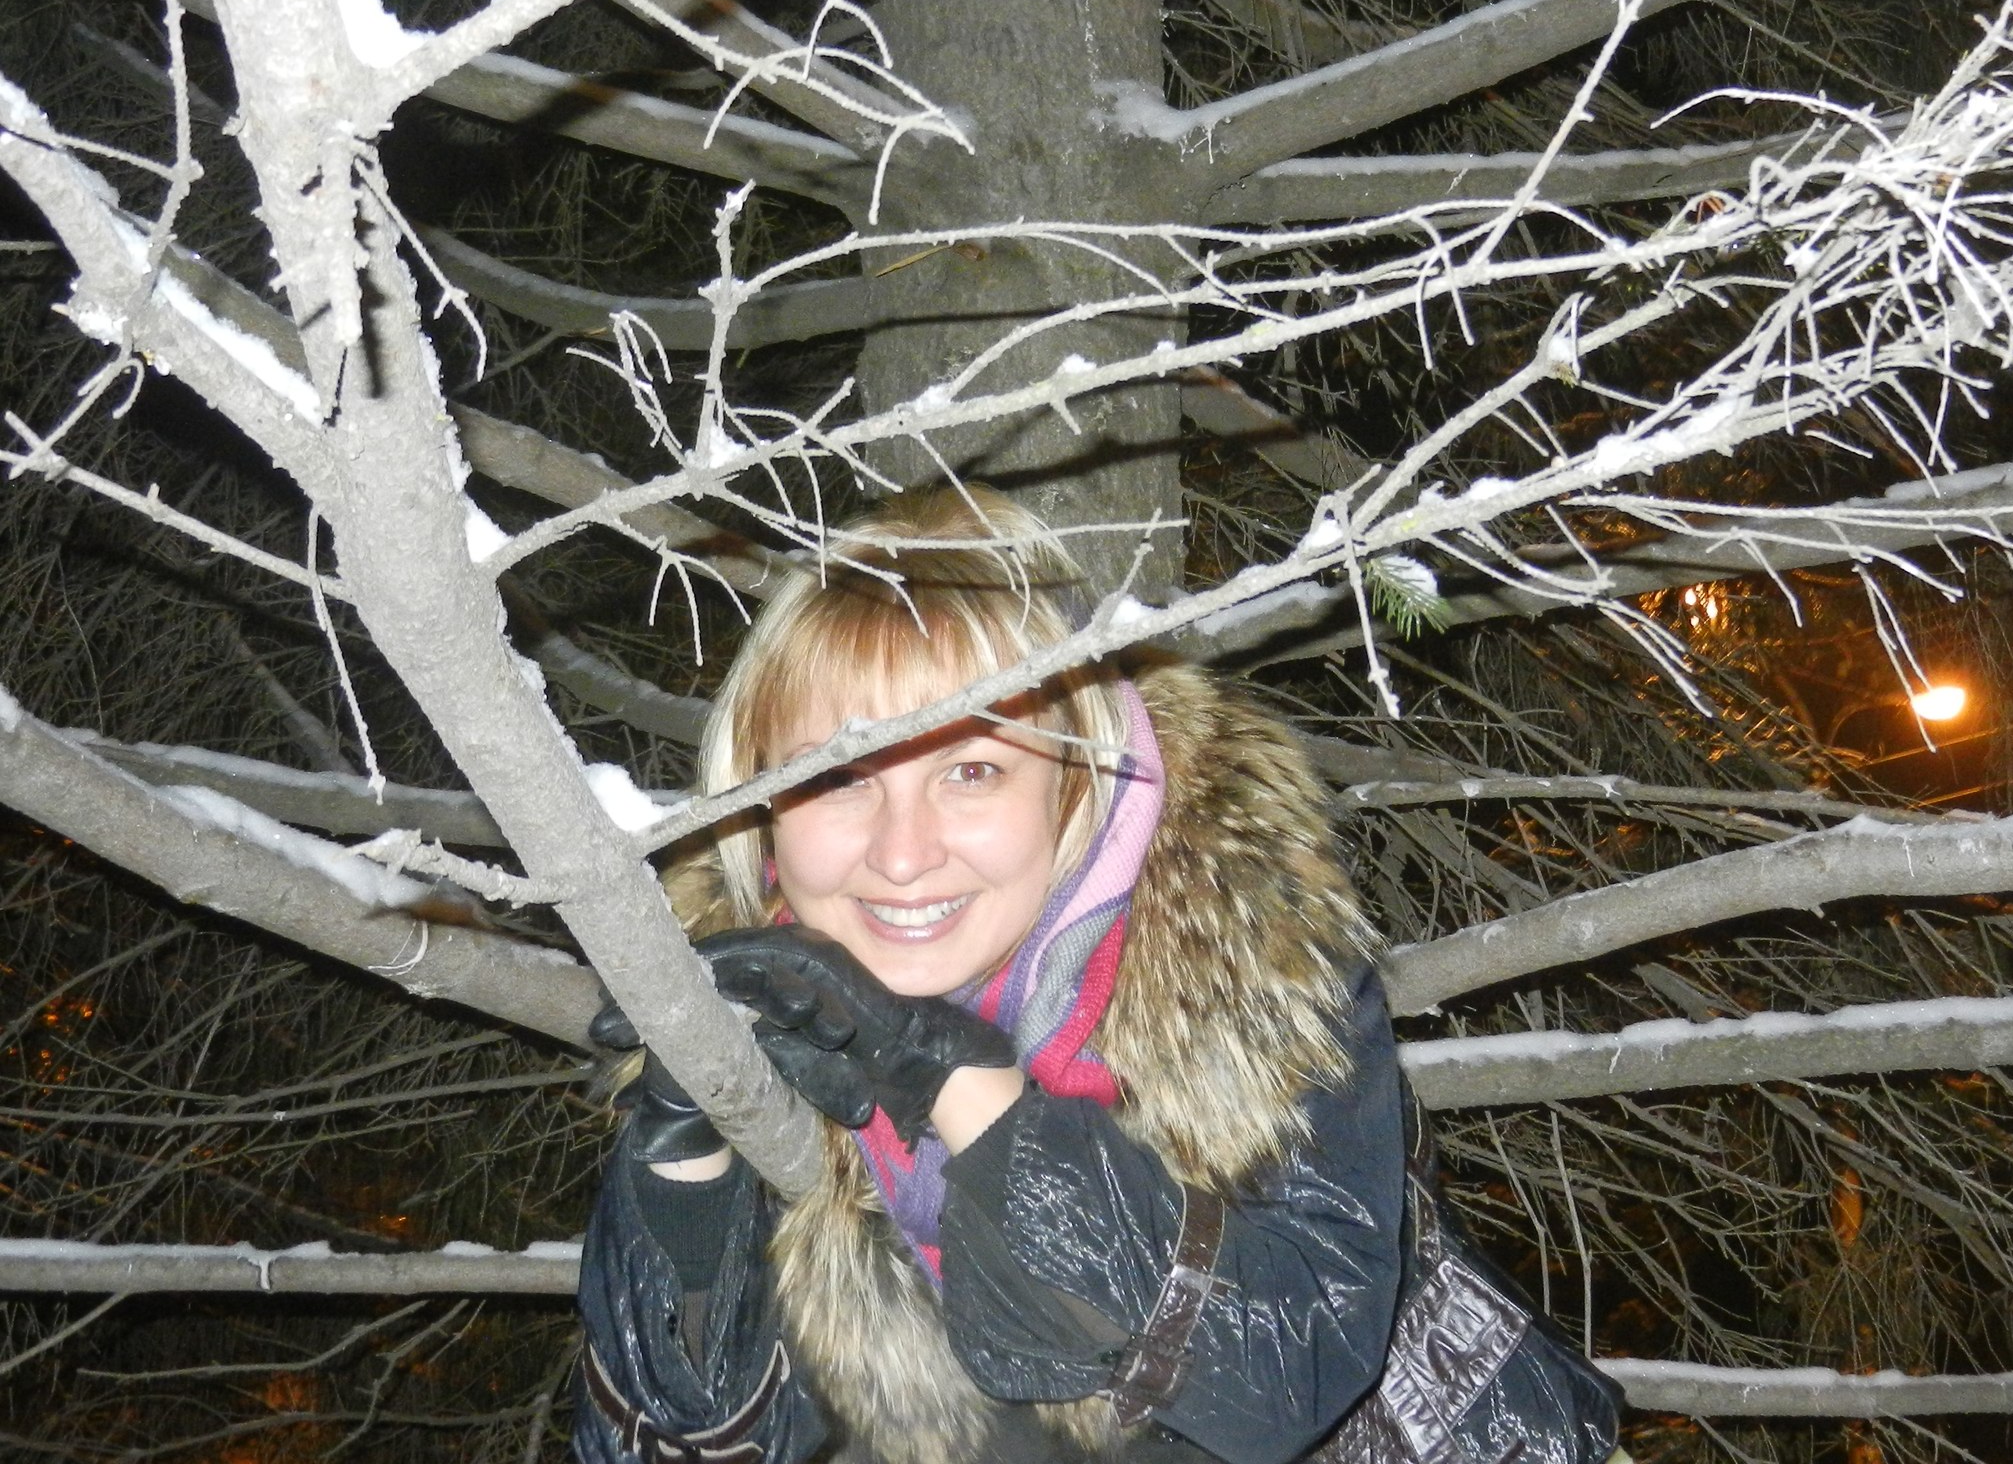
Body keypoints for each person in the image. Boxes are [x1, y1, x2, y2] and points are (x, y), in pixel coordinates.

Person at [573, 486, 1622, 1464]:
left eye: (971, 770)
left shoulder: (1242, 958)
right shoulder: (758, 1000)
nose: (901, 855)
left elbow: (1289, 1376)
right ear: (760, 801)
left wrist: (957, 1086)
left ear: (1073, 781)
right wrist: (684, 1179)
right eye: (837, 778)